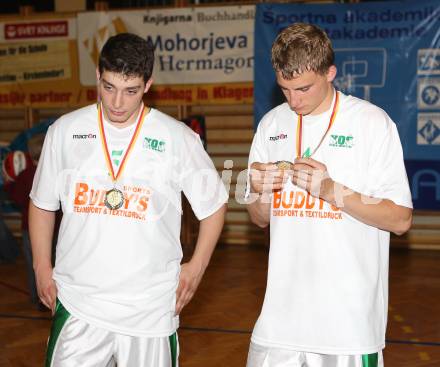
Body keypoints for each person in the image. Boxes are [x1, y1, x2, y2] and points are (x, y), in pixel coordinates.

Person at [29, 33, 227, 367]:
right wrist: (40, 266)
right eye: (108, 87)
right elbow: (42, 203)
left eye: (131, 90)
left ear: (148, 84)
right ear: (98, 74)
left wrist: (197, 266)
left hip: (150, 309)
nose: (117, 102)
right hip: (80, 303)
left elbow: (214, 206)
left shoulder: (176, 137)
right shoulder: (64, 130)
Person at [246, 23, 413, 367]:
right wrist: (261, 193)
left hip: (347, 326)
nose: (294, 100)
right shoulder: (271, 125)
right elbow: (259, 218)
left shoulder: (371, 123)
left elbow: (400, 220)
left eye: (304, 88)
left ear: (330, 72)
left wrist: (329, 190)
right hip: (279, 322)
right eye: (285, 89)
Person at [4, 135, 47, 308]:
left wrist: (9, 183)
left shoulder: (25, 175)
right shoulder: (52, 172)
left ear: (30, 154)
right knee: (54, 260)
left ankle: (37, 298)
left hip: (30, 228)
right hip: (56, 228)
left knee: (34, 264)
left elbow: (18, 199)